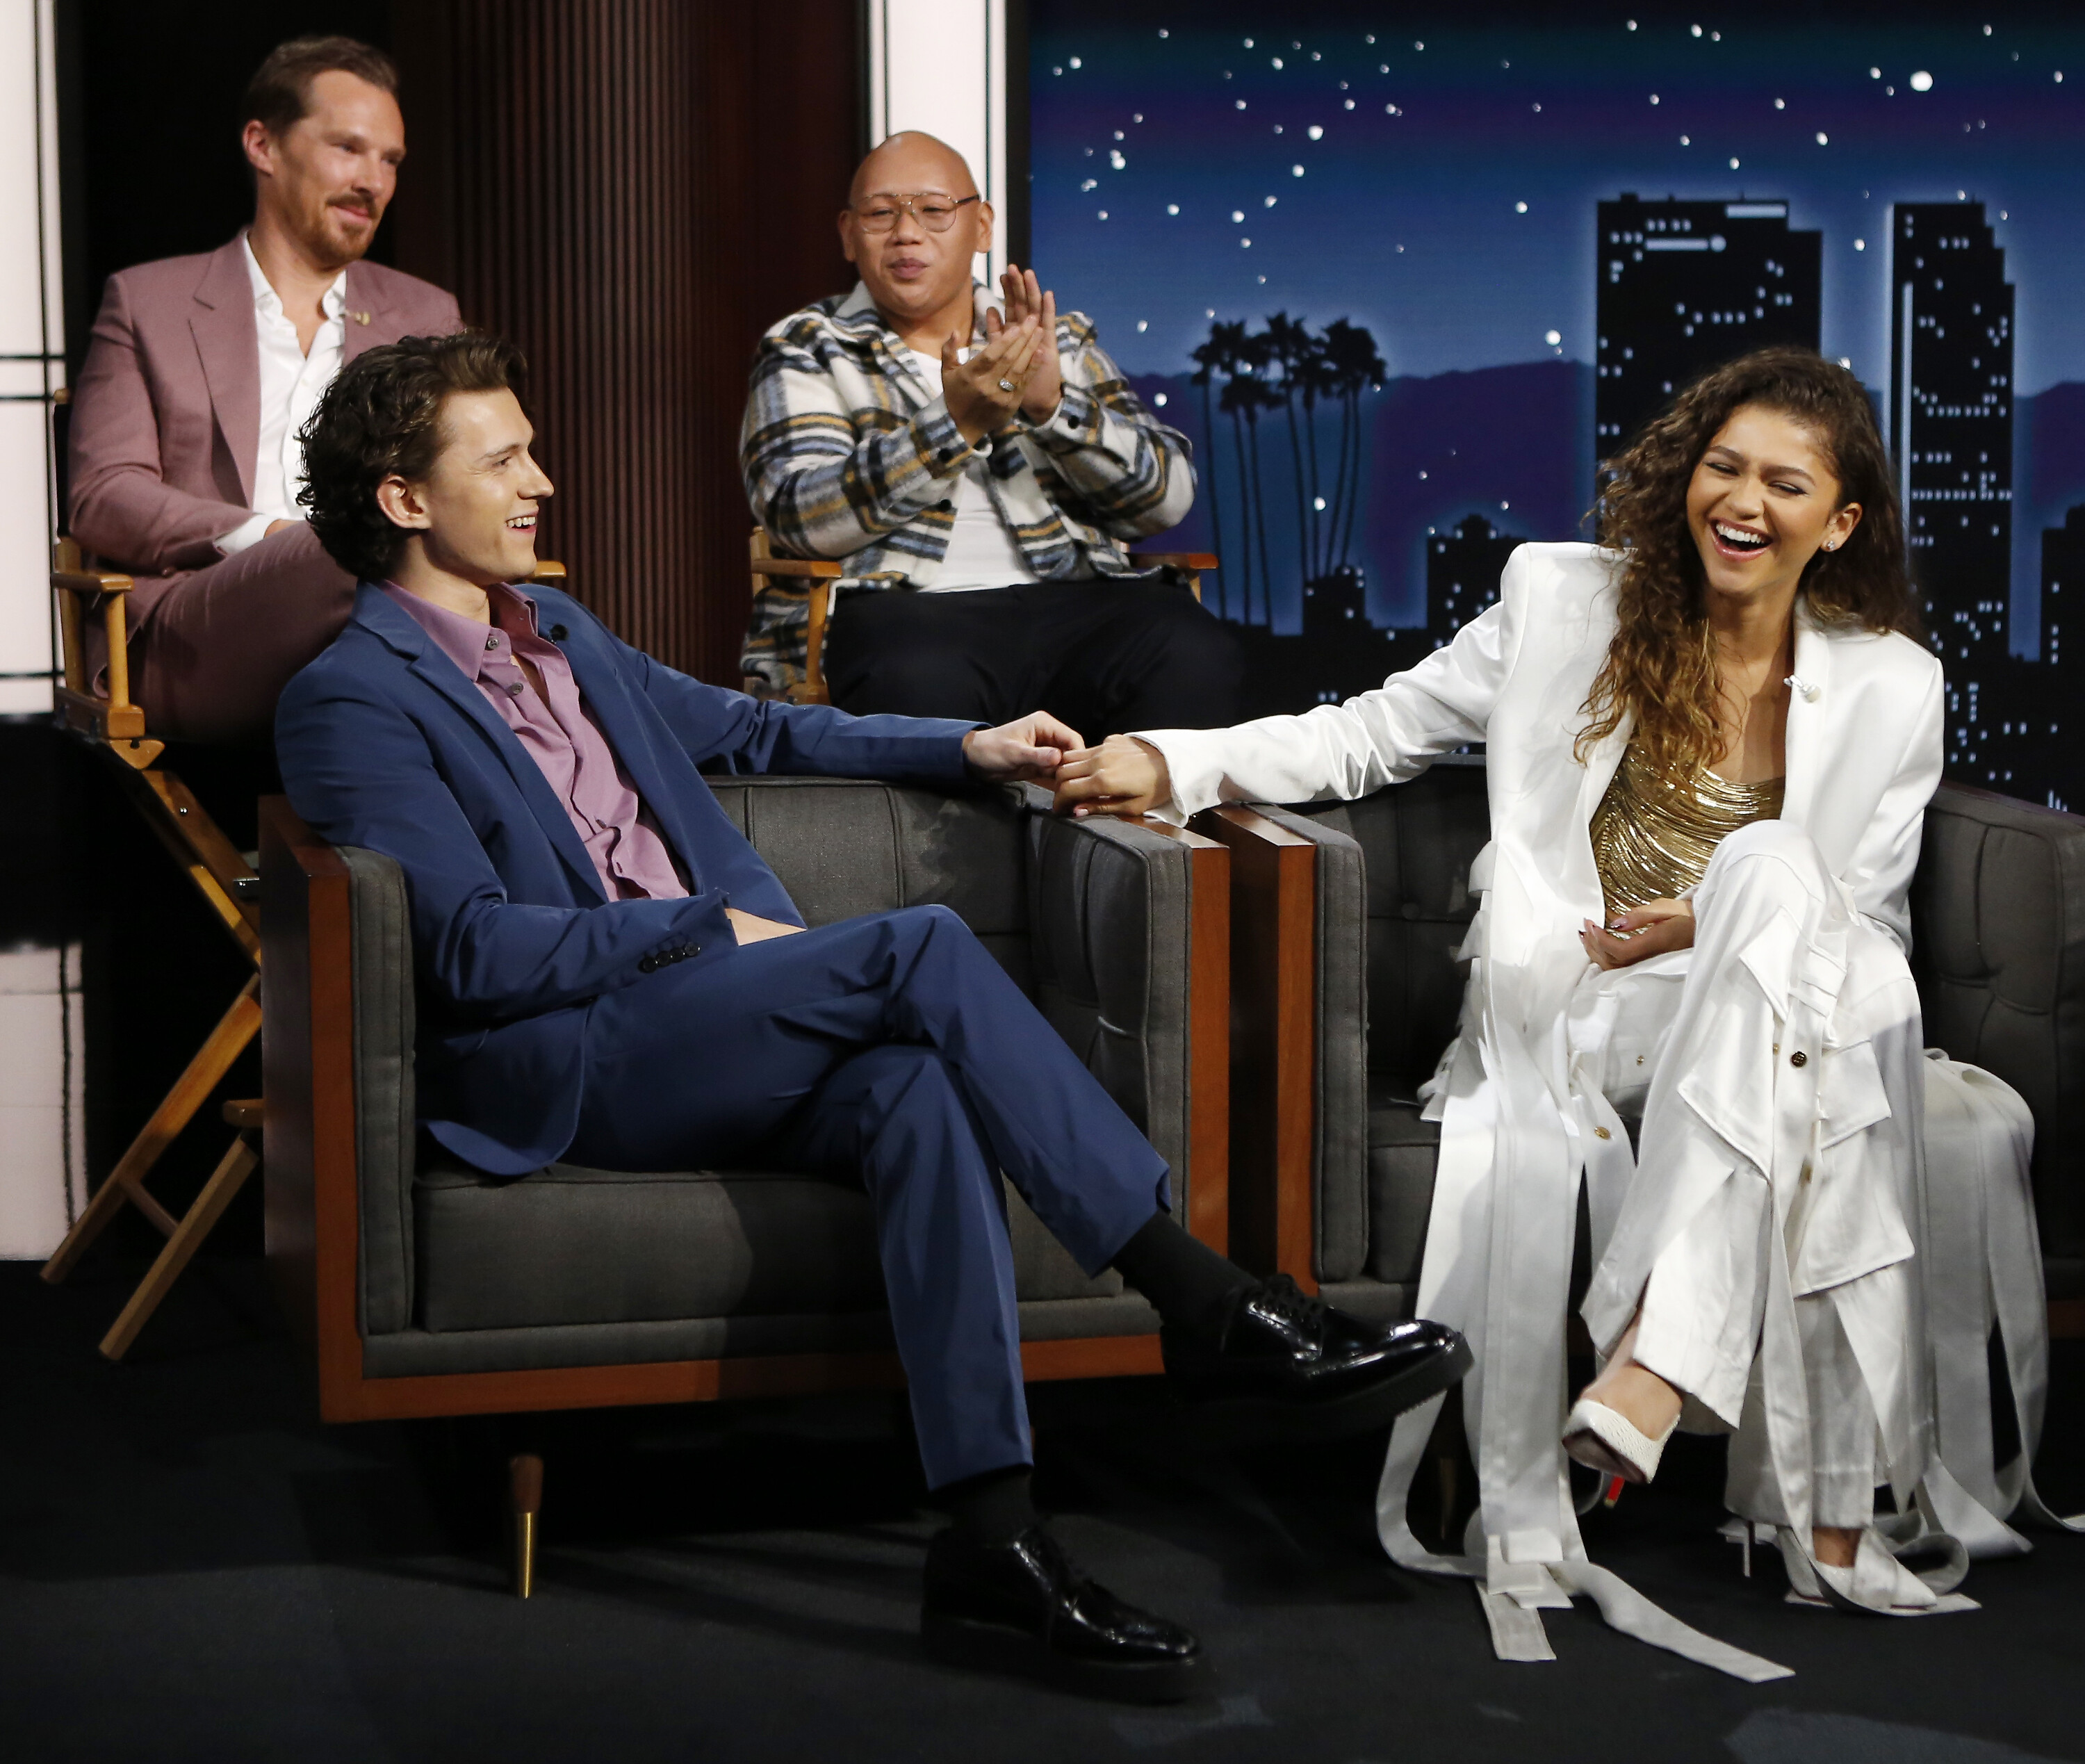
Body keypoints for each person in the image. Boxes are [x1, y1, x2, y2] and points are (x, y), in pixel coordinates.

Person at [275, 329, 1469, 1699]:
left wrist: (965, 745)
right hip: (576, 1051)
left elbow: (760, 729)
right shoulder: (351, 696)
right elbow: (470, 952)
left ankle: (993, 1538)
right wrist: (699, 927)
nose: (540, 481)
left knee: (913, 1094)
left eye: (531, 451)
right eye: (502, 462)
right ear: (405, 499)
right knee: (920, 948)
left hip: (707, 1017)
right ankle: (1207, 1302)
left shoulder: (561, 634)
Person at [1055, 348, 1984, 1653]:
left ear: (1839, 523)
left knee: (1778, 878)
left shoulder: (1892, 683)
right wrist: (1175, 760)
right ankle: (1769, 1455)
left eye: (1786, 484)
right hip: (1592, 1007)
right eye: (1723, 467)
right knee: (1790, 935)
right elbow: (1372, 730)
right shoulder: (1565, 601)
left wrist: (1714, 917)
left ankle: (1657, 1359)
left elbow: (1863, 931)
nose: (1742, 501)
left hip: (1774, 1011)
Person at [739, 131, 1241, 736]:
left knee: (1189, 648)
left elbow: (1167, 500)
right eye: (881, 214)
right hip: (905, 611)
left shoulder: (1055, 340)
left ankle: (1126, 805)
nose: (906, 233)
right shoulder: (809, 346)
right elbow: (799, 517)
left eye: (933, 210)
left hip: (1075, 600)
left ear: (981, 227)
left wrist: (1053, 407)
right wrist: (953, 426)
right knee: (912, 674)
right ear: (849, 234)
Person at [68, 35, 461, 745]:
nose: (373, 181)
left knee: (545, 616)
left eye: (391, 160)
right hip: (194, 625)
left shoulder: (426, 315)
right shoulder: (149, 302)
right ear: (263, 146)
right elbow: (104, 495)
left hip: (380, 626)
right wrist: (269, 538)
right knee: (357, 550)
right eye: (348, 148)